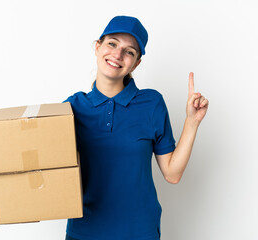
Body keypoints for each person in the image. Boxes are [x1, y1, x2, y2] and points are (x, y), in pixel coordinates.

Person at [63, 16, 209, 240]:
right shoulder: (71, 108)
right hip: (85, 231)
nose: (118, 55)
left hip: (139, 232)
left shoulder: (151, 103)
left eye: (129, 51)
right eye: (112, 43)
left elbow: (172, 174)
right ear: (97, 47)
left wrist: (192, 122)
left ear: (136, 63)